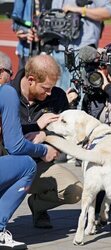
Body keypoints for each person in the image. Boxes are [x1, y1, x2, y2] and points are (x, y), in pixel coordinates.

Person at [10, 54, 83, 229]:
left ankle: (38, 205)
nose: (50, 93)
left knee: (75, 191)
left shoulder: (57, 97)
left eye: (52, 87)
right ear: (31, 80)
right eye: (46, 88)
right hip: (8, 163)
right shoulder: (7, 94)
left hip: (39, 165)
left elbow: (66, 135)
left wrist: (46, 137)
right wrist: (36, 126)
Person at [0, 84, 58, 249]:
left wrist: (38, 128)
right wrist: (43, 150)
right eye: (9, 74)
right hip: (34, 153)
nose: (10, 79)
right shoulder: (6, 91)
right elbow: (15, 146)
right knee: (27, 164)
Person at [51, 0, 111, 91]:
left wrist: (79, 10)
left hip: (82, 50)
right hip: (58, 49)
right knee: (58, 97)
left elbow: (108, 12)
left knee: (80, 96)